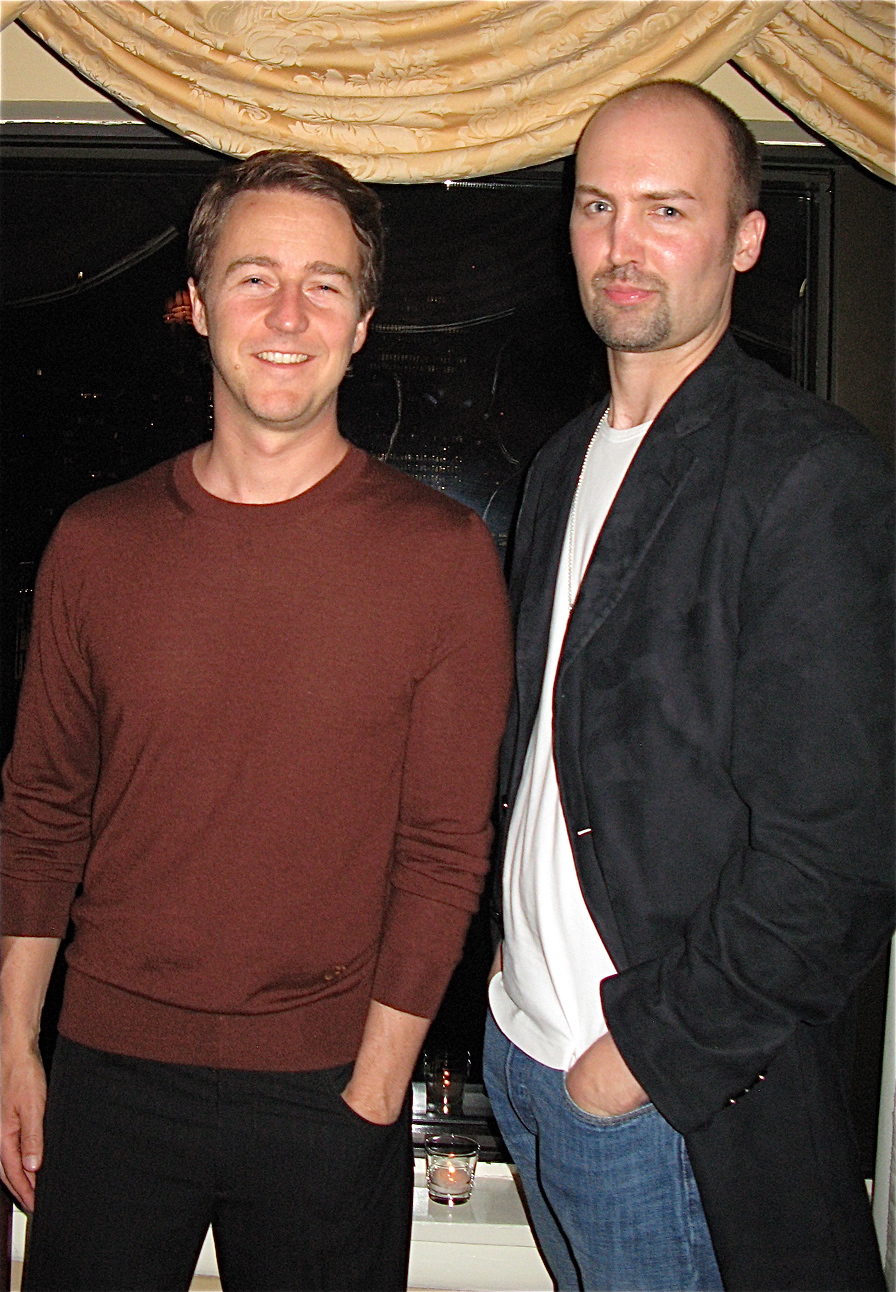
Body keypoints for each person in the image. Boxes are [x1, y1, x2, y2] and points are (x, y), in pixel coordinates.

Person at [1, 150, 513, 1292]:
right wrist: (13, 1046)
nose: (288, 314)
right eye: (253, 277)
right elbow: (42, 812)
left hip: (329, 1087)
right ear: (196, 304)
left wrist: (379, 1081)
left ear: (363, 321)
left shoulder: (439, 556)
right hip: (109, 1079)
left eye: (324, 283)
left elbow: (443, 848)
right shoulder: (99, 540)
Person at [484, 80, 894, 1292]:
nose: (622, 244)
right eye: (598, 205)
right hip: (524, 1048)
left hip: (660, 1100)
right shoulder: (562, 464)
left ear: (744, 237)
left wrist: (639, 1061)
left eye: (667, 208)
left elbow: (836, 860)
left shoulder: (807, 474)